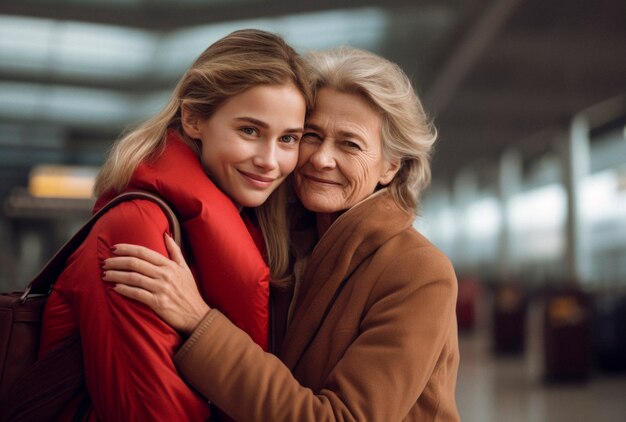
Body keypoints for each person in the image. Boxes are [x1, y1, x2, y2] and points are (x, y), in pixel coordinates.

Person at [103, 46, 460, 421]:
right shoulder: (280, 243)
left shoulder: (418, 274)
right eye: (310, 136)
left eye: (349, 144)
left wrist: (199, 322)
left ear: (390, 166)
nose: (322, 159)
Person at [37, 29, 313, 421]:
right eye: (249, 130)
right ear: (194, 118)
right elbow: (149, 410)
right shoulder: (137, 229)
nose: (270, 160)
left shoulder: (252, 227)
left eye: (288, 139)